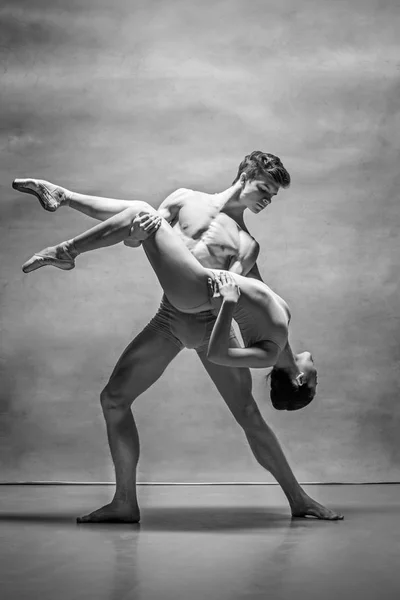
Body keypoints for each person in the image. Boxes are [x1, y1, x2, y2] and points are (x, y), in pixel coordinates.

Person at [13, 151, 343, 521]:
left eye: (273, 195)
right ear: (245, 174)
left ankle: (299, 499)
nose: (267, 199)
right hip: (168, 318)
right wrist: (135, 238)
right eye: (265, 188)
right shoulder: (185, 198)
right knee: (113, 399)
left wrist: (292, 369)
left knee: (249, 414)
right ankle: (124, 502)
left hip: (207, 322)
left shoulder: (248, 245)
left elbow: (247, 297)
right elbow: (134, 233)